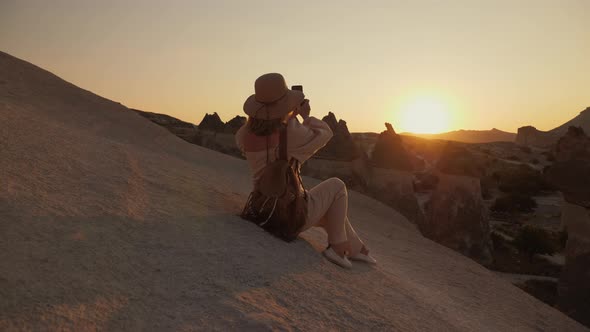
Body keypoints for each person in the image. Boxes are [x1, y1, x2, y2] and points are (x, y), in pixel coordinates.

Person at [235, 73, 376, 268]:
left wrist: (285, 116)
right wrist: (305, 116)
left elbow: (268, 141)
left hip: (261, 208)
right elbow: (324, 134)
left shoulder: (243, 133)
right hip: (288, 214)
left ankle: (356, 248)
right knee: (337, 186)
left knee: (328, 208)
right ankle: (337, 249)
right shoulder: (291, 132)